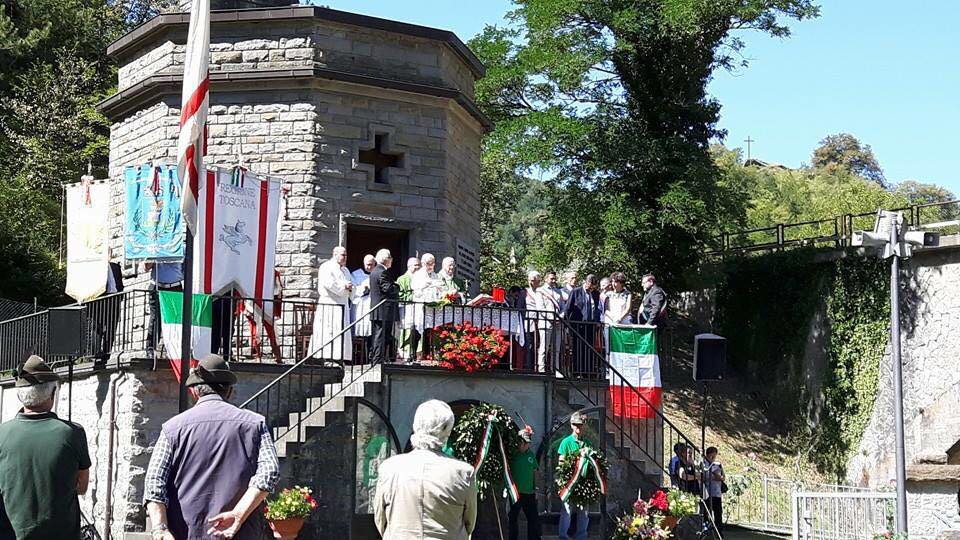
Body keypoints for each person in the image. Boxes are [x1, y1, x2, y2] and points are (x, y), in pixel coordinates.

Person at [143, 354, 279, 539]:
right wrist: (238, 514)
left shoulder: (172, 429)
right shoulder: (255, 424)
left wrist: (160, 528)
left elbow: (154, 484)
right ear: (229, 390)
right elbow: (270, 472)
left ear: (195, 391)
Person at [0, 356, 91, 539]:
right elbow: (82, 486)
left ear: (19, 395)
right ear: (52, 394)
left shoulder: (2, 433)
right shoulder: (73, 433)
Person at [374, 400, 477, 539]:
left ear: (416, 425)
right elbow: (469, 523)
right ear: (447, 429)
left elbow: (380, 519)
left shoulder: (389, 468)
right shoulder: (464, 473)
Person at [310, 246, 354, 360]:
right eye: (343, 255)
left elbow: (351, 285)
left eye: (346, 255)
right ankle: (326, 357)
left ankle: (340, 357)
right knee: (328, 331)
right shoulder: (326, 267)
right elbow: (328, 283)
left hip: (342, 304)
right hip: (330, 303)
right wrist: (344, 287)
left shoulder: (345, 270)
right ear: (335, 255)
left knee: (341, 331)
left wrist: (350, 288)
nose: (345, 258)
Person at [557, 411, 591, 540]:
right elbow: (561, 463)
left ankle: (581, 536)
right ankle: (563, 537)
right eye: (576, 425)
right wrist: (562, 481)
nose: (578, 428)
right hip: (570, 483)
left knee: (584, 512)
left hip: (583, 483)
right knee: (566, 511)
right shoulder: (566, 442)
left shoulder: (587, 443)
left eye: (580, 425)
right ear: (571, 425)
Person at [563, 275, 601, 376]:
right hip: (578, 325)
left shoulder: (596, 294)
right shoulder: (576, 292)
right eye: (589, 285)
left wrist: (597, 321)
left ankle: (588, 372)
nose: (591, 288)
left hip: (590, 326)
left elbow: (597, 309)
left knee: (589, 349)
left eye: (593, 287)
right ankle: (576, 371)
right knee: (577, 349)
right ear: (585, 282)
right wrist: (567, 324)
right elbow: (568, 308)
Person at [508, 425, 541, 540]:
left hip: (529, 492)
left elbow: (535, 472)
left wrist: (536, 488)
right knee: (513, 518)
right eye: (523, 442)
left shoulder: (530, 455)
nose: (525, 445)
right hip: (516, 493)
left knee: (533, 519)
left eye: (527, 443)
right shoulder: (512, 455)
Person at [145, 262, 184, 351]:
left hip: (175, 287)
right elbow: (146, 267)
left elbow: (186, 268)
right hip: (157, 286)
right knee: (155, 318)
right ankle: (151, 348)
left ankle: (174, 350)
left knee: (175, 319)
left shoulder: (182, 248)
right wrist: (155, 256)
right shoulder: (155, 247)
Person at [370, 249, 400, 363]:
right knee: (380, 335)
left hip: (380, 310)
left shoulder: (375, 271)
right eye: (390, 258)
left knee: (380, 335)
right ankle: (377, 359)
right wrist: (397, 286)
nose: (392, 260)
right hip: (383, 310)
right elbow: (387, 288)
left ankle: (378, 358)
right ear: (385, 259)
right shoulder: (381, 271)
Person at [412, 254, 444, 359]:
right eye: (428, 264)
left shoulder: (435, 275)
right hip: (420, 307)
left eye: (433, 263)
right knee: (417, 330)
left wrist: (439, 290)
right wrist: (426, 285)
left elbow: (440, 290)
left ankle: (427, 355)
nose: (431, 266)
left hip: (432, 307)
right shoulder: (418, 275)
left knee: (429, 331)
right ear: (422, 263)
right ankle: (413, 355)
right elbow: (415, 290)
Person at [396, 257, 421, 361]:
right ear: (409, 266)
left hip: (418, 307)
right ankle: (404, 352)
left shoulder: (420, 278)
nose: (418, 267)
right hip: (407, 307)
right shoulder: (402, 279)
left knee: (418, 330)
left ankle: (416, 353)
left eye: (419, 265)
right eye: (415, 265)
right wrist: (413, 294)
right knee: (406, 330)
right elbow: (400, 294)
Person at [352, 254, 377, 341]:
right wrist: (363, 289)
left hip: (371, 304)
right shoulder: (356, 274)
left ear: (375, 264)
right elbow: (353, 289)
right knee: (359, 329)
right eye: (367, 264)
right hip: (360, 306)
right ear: (364, 263)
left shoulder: (377, 275)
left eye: (371, 264)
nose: (369, 267)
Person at [703, 446, 725, 534]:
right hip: (707, 492)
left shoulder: (717, 465)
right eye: (711, 456)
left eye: (714, 457)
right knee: (706, 512)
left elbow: (722, 477)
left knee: (718, 513)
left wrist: (716, 476)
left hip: (717, 492)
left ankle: (719, 531)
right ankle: (706, 529)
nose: (712, 459)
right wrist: (715, 476)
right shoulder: (704, 464)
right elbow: (704, 477)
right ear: (707, 455)